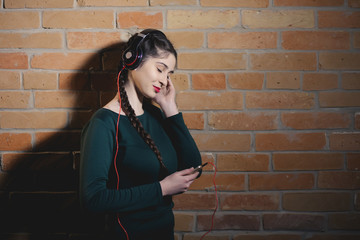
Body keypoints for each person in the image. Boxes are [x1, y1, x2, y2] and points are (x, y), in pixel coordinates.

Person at [79, 29, 202, 240]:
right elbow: (94, 199)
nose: (164, 80)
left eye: (169, 74)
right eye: (160, 69)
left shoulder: (156, 115)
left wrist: (170, 107)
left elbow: (193, 168)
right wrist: (161, 189)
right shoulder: (104, 123)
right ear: (133, 61)